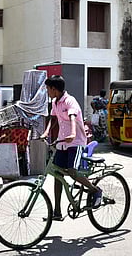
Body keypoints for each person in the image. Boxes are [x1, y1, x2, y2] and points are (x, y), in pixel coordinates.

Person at [41, 75, 102, 221]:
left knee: (73, 171)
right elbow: (53, 119)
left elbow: (73, 117)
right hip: (62, 142)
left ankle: (95, 190)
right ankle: (57, 212)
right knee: (57, 174)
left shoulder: (70, 101)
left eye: (48, 89)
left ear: (54, 89)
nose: (47, 92)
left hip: (76, 142)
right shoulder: (55, 102)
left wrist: (73, 133)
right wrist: (46, 132)